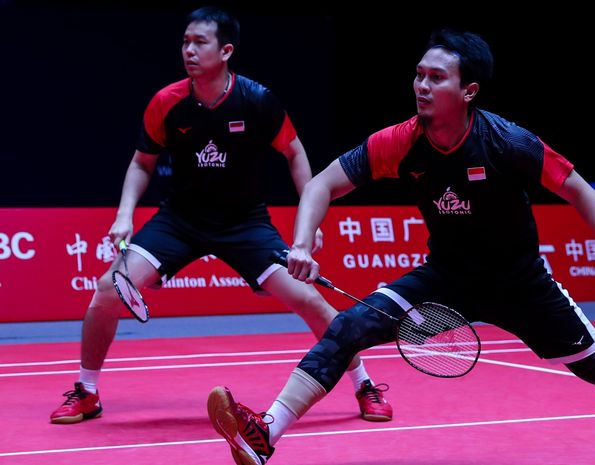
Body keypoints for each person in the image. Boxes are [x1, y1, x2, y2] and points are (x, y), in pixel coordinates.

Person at [206, 29, 595, 464]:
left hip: (521, 284)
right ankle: (266, 433)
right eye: (418, 75)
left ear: (468, 91)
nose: (421, 86)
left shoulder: (506, 141)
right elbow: (320, 185)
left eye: (436, 78)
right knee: (349, 327)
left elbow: (577, 188)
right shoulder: (401, 141)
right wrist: (303, 241)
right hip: (445, 278)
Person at [49, 7, 392, 425]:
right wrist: (125, 215)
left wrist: (310, 221)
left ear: (226, 50)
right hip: (179, 220)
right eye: (185, 42)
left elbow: (295, 152)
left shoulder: (257, 100)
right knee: (106, 290)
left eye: (200, 43)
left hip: (244, 223)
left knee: (309, 299)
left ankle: (364, 384)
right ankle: (86, 391)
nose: (189, 50)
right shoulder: (167, 102)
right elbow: (142, 164)